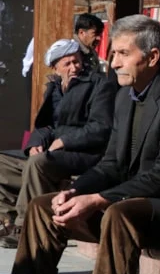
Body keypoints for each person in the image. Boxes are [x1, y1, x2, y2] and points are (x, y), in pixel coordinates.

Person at [0, 14, 160, 274]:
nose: (113, 62)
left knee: (119, 213)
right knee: (45, 207)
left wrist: (100, 198)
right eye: (113, 53)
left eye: (123, 54)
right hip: (129, 197)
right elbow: (112, 163)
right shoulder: (125, 96)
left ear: (152, 57)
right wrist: (77, 192)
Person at [0, 39, 116, 249]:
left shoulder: (98, 85)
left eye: (76, 61)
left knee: (38, 163)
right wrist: (35, 144)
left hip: (85, 154)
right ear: (55, 68)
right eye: (67, 64)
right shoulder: (54, 88)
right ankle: (8, 220)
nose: (74, 67)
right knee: (3, 164)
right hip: (56, 153)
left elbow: (101, 127)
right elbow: (45, 126)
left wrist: (63, 141)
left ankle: (25, 228)